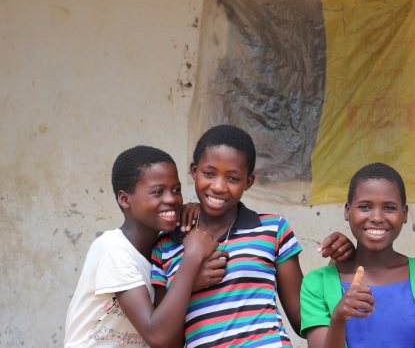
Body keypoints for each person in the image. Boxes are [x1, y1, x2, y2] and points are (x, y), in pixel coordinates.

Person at [151, 125, 354, 347]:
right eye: (209, 173)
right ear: (194, 170)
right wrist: (188, 281)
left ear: (248, 182)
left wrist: (338, 264)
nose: (218, 186)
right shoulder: (166, 245)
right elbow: (167, 341)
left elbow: (302, 319)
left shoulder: (273, 228)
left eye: (233, 178)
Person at [300, 162, 415, 348]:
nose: (377, 217)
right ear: (347, 211)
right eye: (365, 207)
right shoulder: (317, 283)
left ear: (405, 213)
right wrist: (338, 318)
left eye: (389, 208)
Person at [64, 146, 222, 348]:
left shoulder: (162, 255)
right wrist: (191, 260)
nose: (171, 199)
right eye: (157, 192)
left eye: (176, 190)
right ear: (124, 199)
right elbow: (156, 335)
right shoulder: (113, 249)